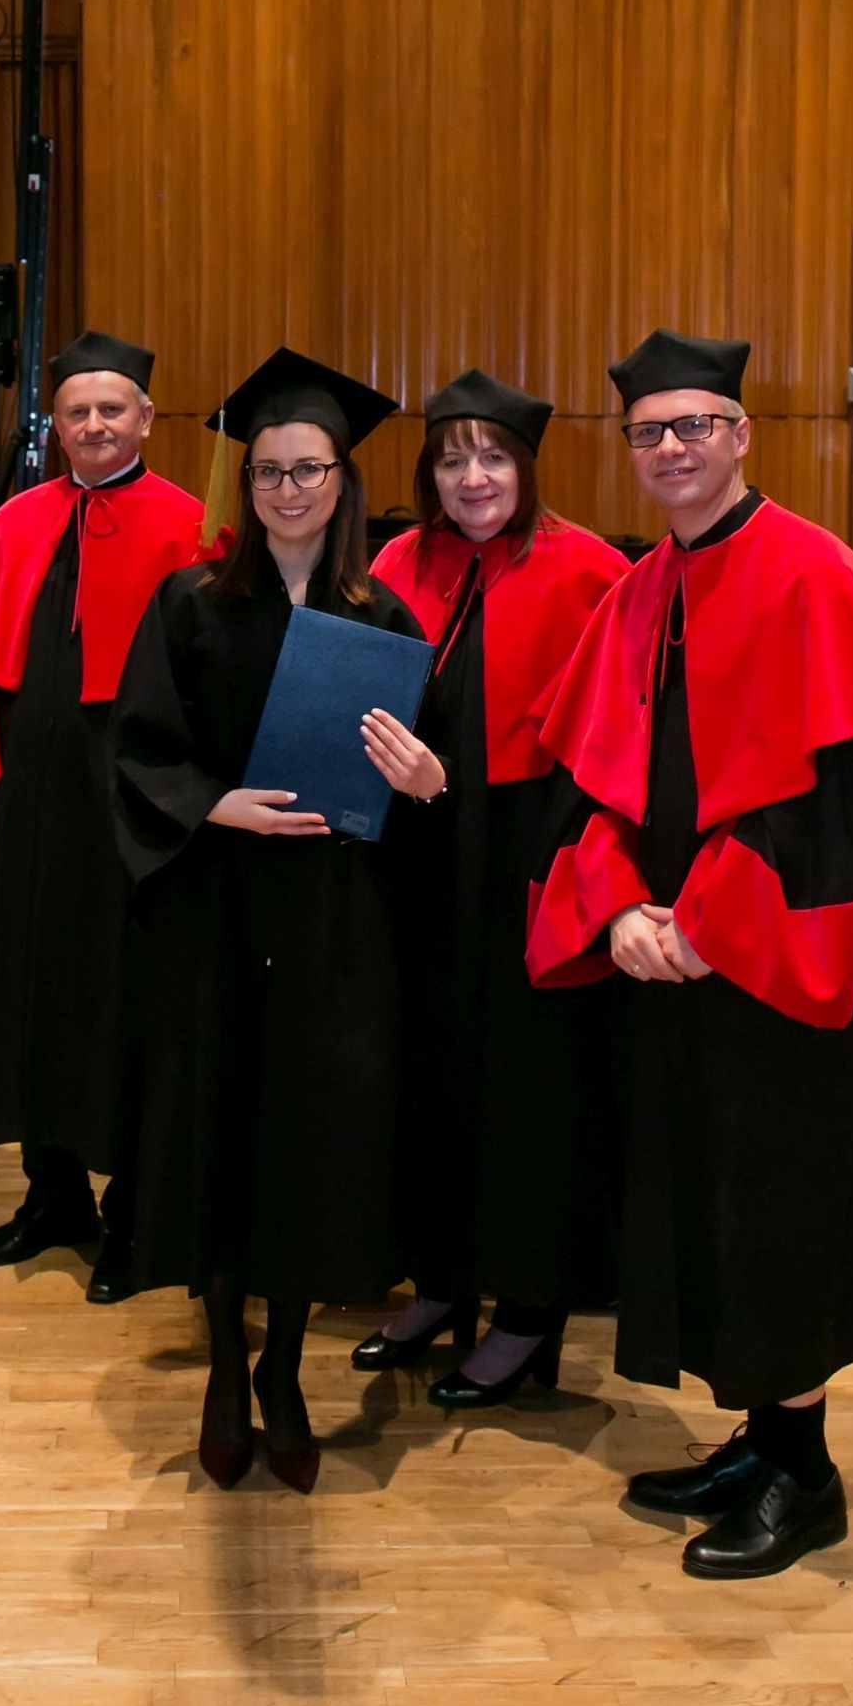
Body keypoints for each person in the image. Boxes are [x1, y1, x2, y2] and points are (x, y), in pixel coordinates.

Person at [526, 329, 853, 1578]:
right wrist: (616, 912)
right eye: (649, 432)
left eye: (693, 425)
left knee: (778, 1200)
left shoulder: (813, 574)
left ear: (740, 436)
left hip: (778, 965)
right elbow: (590, 785)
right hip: (670, 961)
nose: (671, 448)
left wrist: (706, 925)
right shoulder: (639, 589)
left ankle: (803, 1478)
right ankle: (761, 1439)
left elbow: (835, 811)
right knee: (704, 1192)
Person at [110, 347, 437, 1493]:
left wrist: (421, 778)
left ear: (342, 481)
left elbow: (420, 781)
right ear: (244, 484)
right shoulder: (192, 605)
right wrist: (217, 805)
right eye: (266, 472)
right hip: (217, 908)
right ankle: (220, 1364)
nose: (287, 490)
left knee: (306, 1139)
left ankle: (283, 1368)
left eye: (307, 470)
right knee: (220, 1130)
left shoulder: (381, 619)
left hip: (333, 925)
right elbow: (139, 749)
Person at [353, 370, 628, 1403]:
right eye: (451, 459)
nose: (472, 478)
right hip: (418, 867)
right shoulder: (396, 563)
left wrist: (462, 788)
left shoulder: (590, 571)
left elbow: (607, 744)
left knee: (525, 1089)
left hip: (528, 862)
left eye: (493, 457)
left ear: (525, 466)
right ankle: (439, 1280)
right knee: (426, 1073)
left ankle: (526, 1311)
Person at [0, 330, 214, 1298]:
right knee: (31, 996)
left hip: (137, 809)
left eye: (111, 409)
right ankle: (52, 1196)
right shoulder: (15, 523)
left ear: (145, 418)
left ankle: (134, 1215)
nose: (93, 425)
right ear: (55, 424)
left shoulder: (190, 525)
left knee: (130, 1005)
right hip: (31, 806)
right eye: (76, 412)